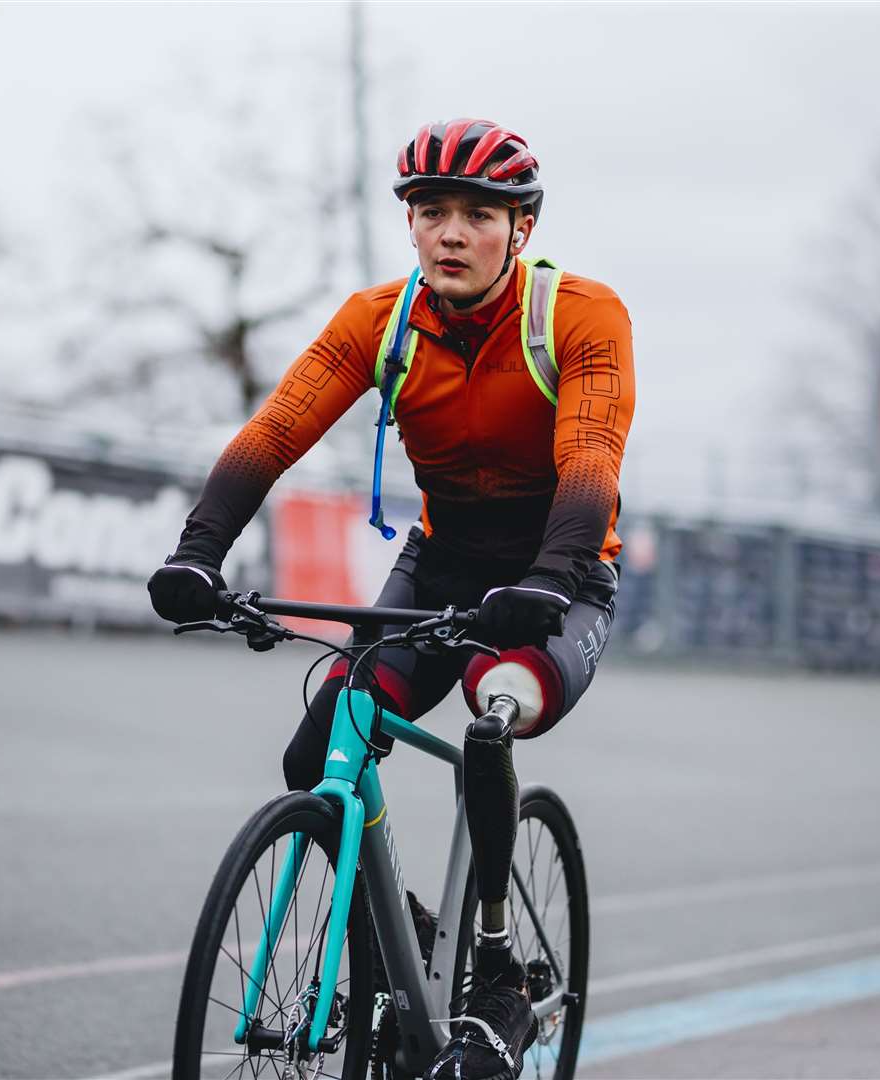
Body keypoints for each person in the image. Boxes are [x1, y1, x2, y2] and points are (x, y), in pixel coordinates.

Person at [149, 118, 634, 1080]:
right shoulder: (379, 321)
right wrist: (197, 556)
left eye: (477, 215)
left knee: (495, 716)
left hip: (559, 573)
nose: (451, 232)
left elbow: (591, 464)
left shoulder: (581, 316)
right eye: (431, 212)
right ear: (411, 225)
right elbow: (274, 434)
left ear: (519, 229)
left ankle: (493, 963)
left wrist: (545, 579)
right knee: (322, 737)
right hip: (445, 562)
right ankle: (400, 926)